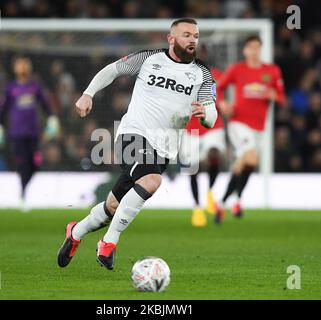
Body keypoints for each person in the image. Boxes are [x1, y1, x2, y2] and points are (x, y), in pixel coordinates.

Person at [57, 18, 217, 270]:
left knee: (112, 206)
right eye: (186, 35)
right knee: (151, 181)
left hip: (164, 149)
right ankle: (108, 243)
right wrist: (88, 93)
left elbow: (212, 112)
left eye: (196, 36)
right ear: (171, 38)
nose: (192, 40)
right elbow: (112, 70)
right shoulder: (149, 59)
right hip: (133, 134)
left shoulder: (202, 74)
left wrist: (206, 116)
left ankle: (75, 232)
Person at [217, 35, 286, 217]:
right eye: (251, 48)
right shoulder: (237, 69)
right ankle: (234, 199)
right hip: (239, 122)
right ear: (244, 50)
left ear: (261, 50)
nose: (254, 51)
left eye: (257, 48)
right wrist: (222, 103)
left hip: (259, 127)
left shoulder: (272, 71)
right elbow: (218, 88)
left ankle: (226, 201)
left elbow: (281, 97)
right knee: (252, 158)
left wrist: (274, 95)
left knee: (245, 163)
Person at [0, 57, 59, 211]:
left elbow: (45, 104)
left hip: (33, 133)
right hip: (17, 134)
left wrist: (52, 119)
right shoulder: (10, 89)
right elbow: (2, 110)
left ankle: (24, 190)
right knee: (23, 164)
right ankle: (23, 194)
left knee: (35, 164)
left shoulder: (35, 87)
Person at [180, 67, 226, 227]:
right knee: (192, 169)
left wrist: (223, 103)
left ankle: (210, 192)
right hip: (191, 128)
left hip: (212, 126)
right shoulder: (180, 73)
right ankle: (197, 208)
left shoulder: (217, 75)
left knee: (214, 154)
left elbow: (219, 96)